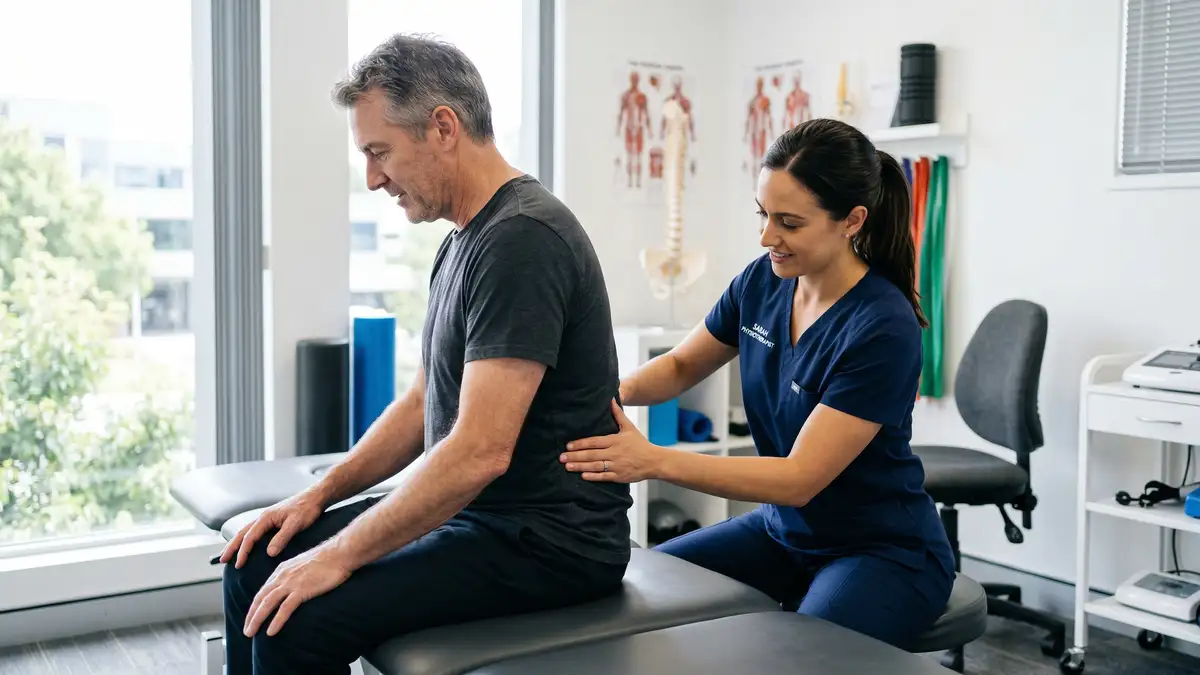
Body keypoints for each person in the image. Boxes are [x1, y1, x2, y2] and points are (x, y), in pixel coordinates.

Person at [218, 34, 631, 674]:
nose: (373, 178)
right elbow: (421, 402)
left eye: (380, 152)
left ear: (443, 127)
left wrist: (340, 554)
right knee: (260, 560)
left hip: (549, 543)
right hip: (483, 520)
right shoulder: (466, 239)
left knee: (293, 617)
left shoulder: (523, 238)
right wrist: (318, 497)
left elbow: (479, 451)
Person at [561, 117, 956, 651]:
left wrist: (651, 459)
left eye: (789, 222)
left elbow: (798, 478)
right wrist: (602, 393)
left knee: (791, 660)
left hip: (880, 550)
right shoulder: (762, 280)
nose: (768, 236)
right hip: (783, 531)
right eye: (763, 214)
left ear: (851, 221)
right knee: (636, 590)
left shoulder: (882, 326)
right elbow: (680, 367)